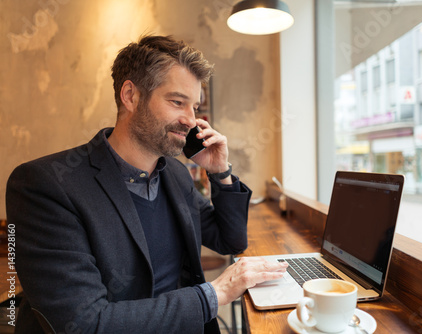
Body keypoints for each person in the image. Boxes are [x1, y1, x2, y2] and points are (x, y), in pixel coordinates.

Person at [6, 35, 288, 334]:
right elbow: (86, 324)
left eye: (194, 106)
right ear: (130, 95)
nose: (192, 121)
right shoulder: (45, 185)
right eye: (178, 102)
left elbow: (229, 241)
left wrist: (220, 172)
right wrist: (214, 294)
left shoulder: (175, 175)